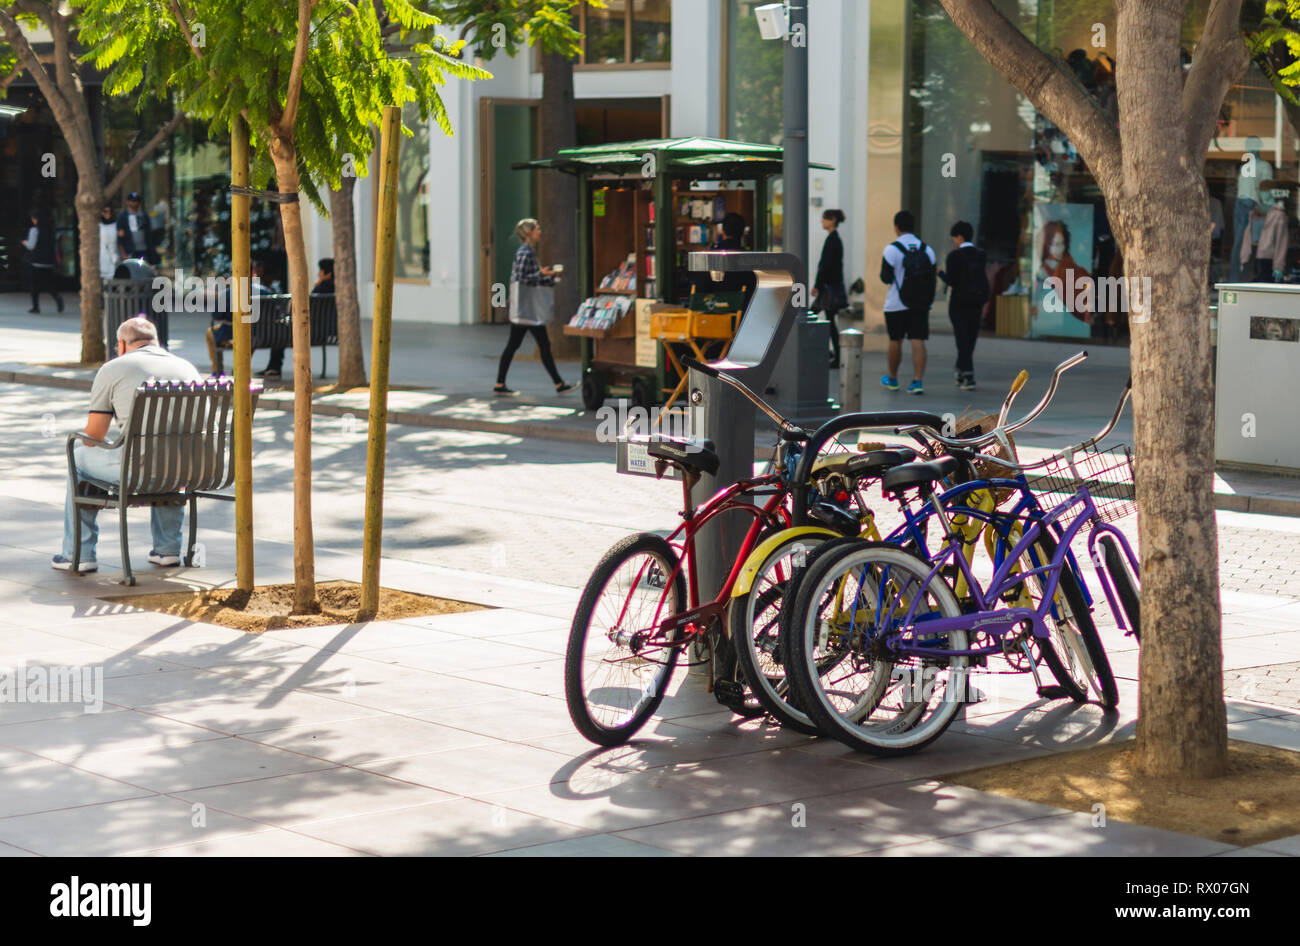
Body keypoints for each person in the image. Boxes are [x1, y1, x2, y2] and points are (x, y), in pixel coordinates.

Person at [53, 316, 203, 573]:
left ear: (121, 344)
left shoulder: (114, 368)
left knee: (77, 455)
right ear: (157, 343)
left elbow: (95, 436)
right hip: (189, 470)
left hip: (139, 471)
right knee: (169, 456)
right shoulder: (188, 369)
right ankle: (167, 550)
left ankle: (79, 553)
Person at [495, 219, 575, 396]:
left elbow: (529, 278)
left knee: (515, 345)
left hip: (526, 310)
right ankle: (559, 384)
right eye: (537, 228)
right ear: (529, 232)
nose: (541, 231)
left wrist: (550, 277)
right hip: (528, 309)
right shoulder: (525, 252)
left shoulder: (528, 251)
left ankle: (500, 384)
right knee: (541, 345)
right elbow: (522, 278)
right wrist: (544, 274)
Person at [879, 210, 936, 395]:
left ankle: (893, 378)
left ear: (896, 227)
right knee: (917, 341)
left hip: (896, 304)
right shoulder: (927, 250)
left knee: (895, 340)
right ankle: (917, 382)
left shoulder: (891, 249)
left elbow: (886, 278)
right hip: (919, 304)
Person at [257, 258, 333, 379]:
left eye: (321, 271)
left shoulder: (321, 288)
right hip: (325, 332)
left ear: (328, 274)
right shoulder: (338, 289)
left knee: (278, 332)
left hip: (311, 331)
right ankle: (273, 367)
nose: (318, 274)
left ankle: (274, 367)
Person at [938, 220, 989, 391]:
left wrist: (940, 273)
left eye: (954, 238)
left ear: (959, 236)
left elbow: (951, 281)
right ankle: (961, 370)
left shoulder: (954, 256)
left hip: (959, 303)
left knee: (962, 339)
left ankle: (968, 374)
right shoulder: (981, 254)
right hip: (976, 302)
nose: (954, 241)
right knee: (970, 338)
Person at [1036, 220, 1091, 324]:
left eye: (1062, 243)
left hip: (1068, 319)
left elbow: (1085, 283)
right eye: (1055, 244)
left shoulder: (1069, 265)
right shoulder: (1044, 270)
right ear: (1047, 245)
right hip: (1050, 317)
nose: (1060, 248)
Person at [813, 209, 847, 368]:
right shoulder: (836, 240)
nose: (822, 221)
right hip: (831, 287)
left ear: (832, 220)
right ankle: (835, 355)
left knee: (812, 315)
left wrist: (817, 286)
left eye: (824, 219)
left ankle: (824, 352)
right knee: (829, 320)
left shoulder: (832, 240)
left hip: (827, 288)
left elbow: (825, 266)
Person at [22, 208, 64, 314]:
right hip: (49, 262)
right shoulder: (51, 230)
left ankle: (35, 307)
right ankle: (57, 297)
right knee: (49, 284)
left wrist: (24, 242)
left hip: (37, 262)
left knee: (34, 285)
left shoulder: (34, 230)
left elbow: (31, 246)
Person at [116, 191, 160, 265]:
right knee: (132, 271)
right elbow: (120, 237)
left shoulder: (144, 215)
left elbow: (150, 233)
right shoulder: (123, 216)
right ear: (127, 202)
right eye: (132, 201)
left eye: (136, 201)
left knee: (142, 269)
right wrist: (123, 254)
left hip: (143, 250)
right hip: (130, 251)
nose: (134, 203)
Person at [98, 203, 120, 281]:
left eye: (109, 212)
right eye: (105, 211)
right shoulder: (98, 227)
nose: (107, 214)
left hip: (114, 259)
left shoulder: (116, 225)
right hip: (101, 260)